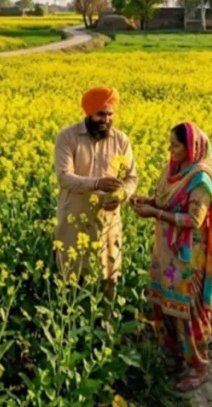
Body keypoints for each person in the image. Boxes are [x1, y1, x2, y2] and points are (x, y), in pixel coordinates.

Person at [129, 122, 212, 392]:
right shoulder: (173, 170)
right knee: (165, 306)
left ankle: (199, 365)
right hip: (166, 254)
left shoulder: (200, 180)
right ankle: (174, 357)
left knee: (188, 312)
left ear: (191, 148)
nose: (169, 149)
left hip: (188, 260)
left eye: (175, 145)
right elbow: (164, 200)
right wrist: (147, 202)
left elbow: (194, 220)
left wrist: (155, 214)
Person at [53, 86, 138, 299]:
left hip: (107, 221)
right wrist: (98, 183)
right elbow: (64, 176)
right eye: (101, 114)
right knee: (72, 274)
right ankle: (70, 314)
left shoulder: (121, 140)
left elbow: (131, 178)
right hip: (74, 218)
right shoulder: (67, 137)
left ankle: (105, 316)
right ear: (89, 112)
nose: (106, 120)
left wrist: (121, 196)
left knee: (107, 275)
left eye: (110, 114)